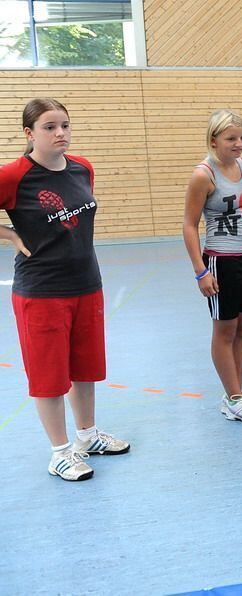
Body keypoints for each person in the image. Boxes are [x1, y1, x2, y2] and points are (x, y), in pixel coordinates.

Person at [0, 98, 129, 481]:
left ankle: (87, 436)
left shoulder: (82, 168)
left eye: (65, 125)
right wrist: (7, 233)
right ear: (29, 133)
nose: (60, 134)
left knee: (84, 369)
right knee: (49, 376)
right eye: (49, 127)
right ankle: (59, 452)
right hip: (41, 291)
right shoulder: (14, 176)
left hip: (87, 284)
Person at [182, 109, 242, 424]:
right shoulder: (203, 175)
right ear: (214, 139)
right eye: (231, 138)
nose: (239, 144)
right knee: (225, 328)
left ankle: (236, 392)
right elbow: (190, 225)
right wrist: (200, 270)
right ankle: (233, 398)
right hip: (222, 260)